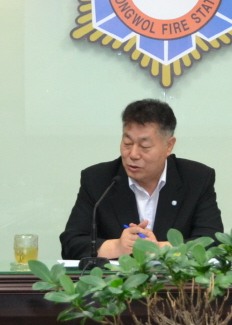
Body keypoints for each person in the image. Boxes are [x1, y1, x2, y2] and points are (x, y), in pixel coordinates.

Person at [60, 99, 222, 260]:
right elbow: (71, 243)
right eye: (127, 143)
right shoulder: (98, 180)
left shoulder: (197, 179)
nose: (133, 154)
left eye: (145, 147)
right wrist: (117, 247)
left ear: (169, 146)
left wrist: (159, 249)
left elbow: (213, 241)